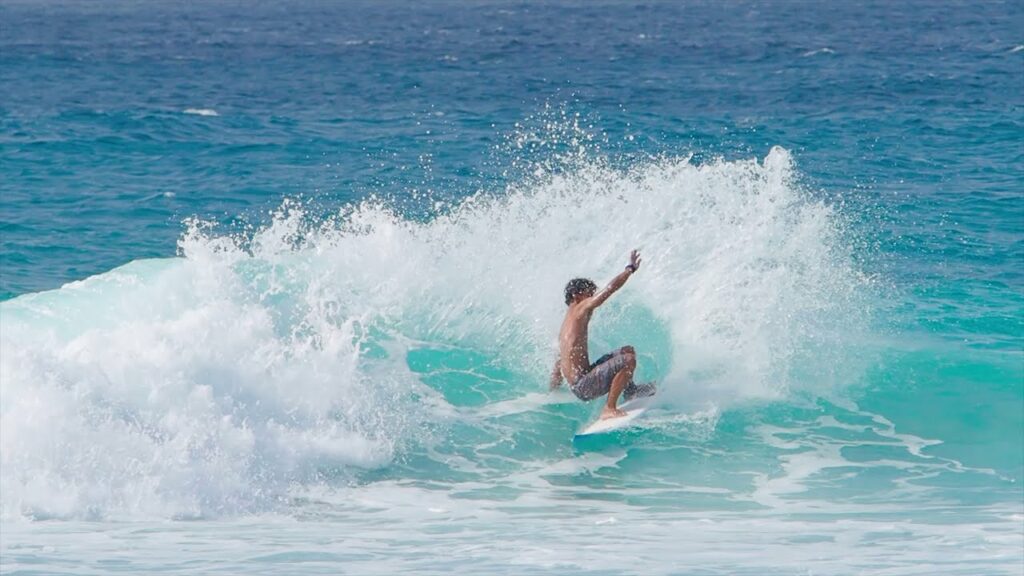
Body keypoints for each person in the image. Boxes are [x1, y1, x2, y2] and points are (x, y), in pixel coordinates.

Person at [549, 249, 655, 419]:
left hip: (582, 381)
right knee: (628, 360)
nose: (592, 297)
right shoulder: (580, 309)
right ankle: (609, 408)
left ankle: (631, 391)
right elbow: (609, 290)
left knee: (627, 350)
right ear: (576, 296)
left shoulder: (566, 325)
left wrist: (552, 391)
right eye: (588, 294)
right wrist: (629, 269)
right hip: (584, 385)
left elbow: (559, 362)